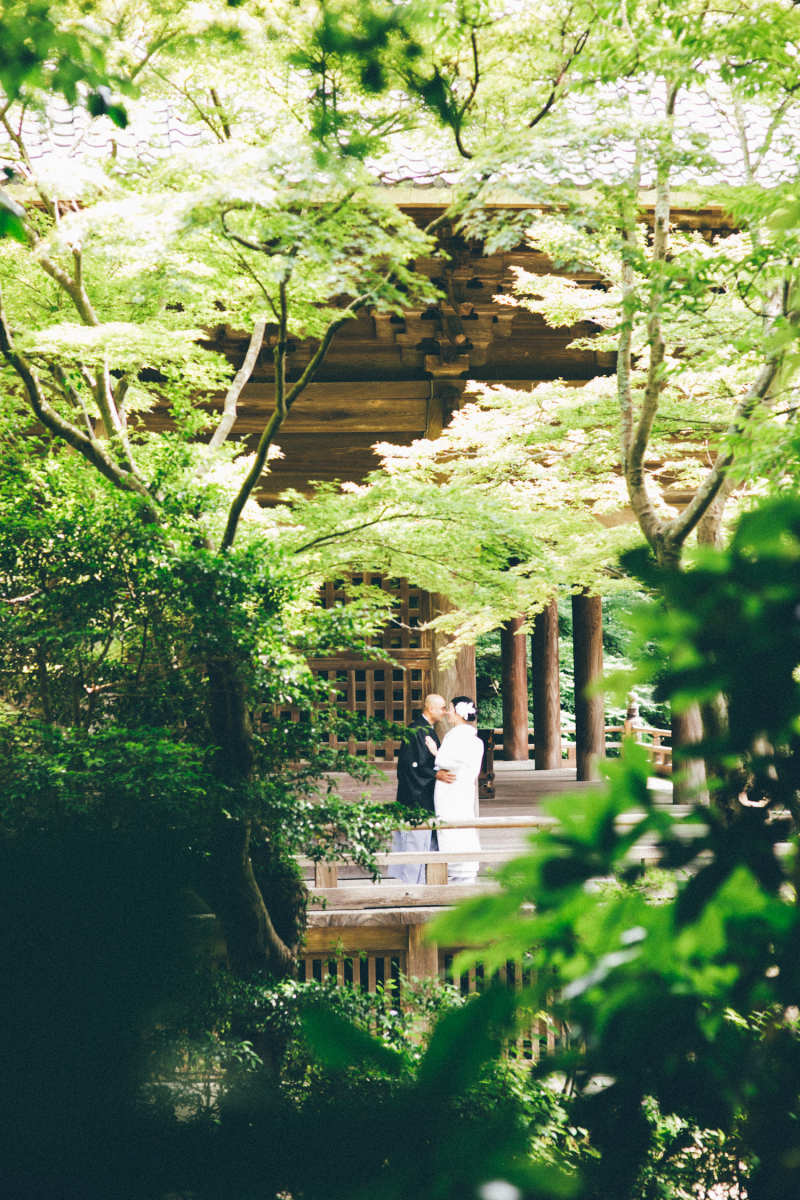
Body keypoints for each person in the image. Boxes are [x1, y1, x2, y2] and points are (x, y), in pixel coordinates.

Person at [387, 694, 456, 884]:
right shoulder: (415, 730)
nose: (444, 712)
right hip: (415, 799)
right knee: (414, 844)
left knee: (426, 845)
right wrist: (435, 775)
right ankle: (411, 890)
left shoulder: (427, 730)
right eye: (442, 708)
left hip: (425, 796)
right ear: (431, 709)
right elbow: (410, 767)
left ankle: (421, 887)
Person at [428, 696, 484, 885]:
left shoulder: (460, 736)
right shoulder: (471, 738)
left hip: (453, 791)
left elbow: (448, 761)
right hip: (460, 790)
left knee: (454, 828)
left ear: (459, 712)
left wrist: (436, 752)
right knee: (459, 827)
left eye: (450, 708)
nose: (447, 712)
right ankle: (461, 870)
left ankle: (461, 871)